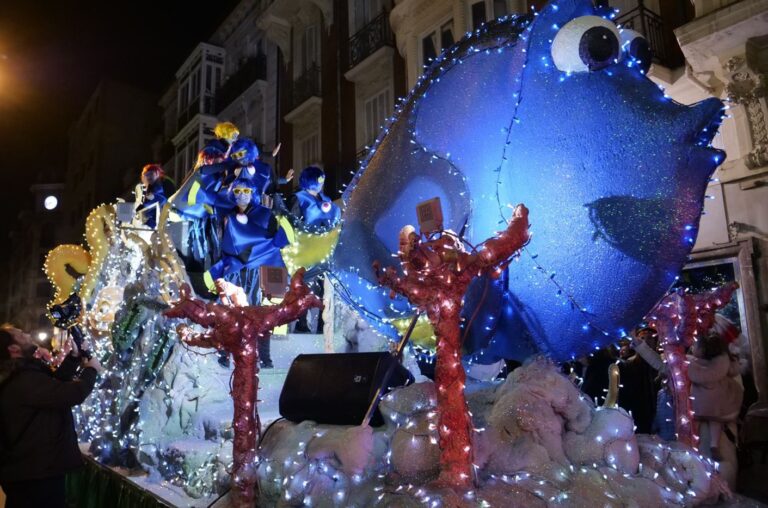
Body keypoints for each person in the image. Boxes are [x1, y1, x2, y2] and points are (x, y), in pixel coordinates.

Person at [0, 325, 102, 508]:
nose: (26, 333)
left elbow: (51, 387)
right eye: (20, 334)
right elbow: (70, 394)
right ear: (14, 350)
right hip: (35, 476)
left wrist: (73, 358)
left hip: (30, 471)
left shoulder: (21, 375)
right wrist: (91, 370)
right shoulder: (23, 381)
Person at [687, 332, 743, 461]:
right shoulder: (723, 363)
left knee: (696, 421)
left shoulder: (692, 363)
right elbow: (734, 371)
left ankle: (692, 443)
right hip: (719, 404)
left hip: (699, 404)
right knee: (716, 420)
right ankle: (714, 445)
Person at [617, 327, 659, 434]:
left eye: (649, 338)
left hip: (658, 416)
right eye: (642, 338)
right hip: (636, 417)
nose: (645, 342)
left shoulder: (661, 365)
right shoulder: (628, 365)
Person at [135, 164, 176, 228]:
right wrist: (136, 212)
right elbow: (143, 204)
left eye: (151, 174)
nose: (148, 177)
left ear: (157, 173)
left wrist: (154, 198)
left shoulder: (165, 182)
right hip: (155, 220)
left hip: (167, 216)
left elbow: (167, 199)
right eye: (146, 175)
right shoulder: (148, 187)